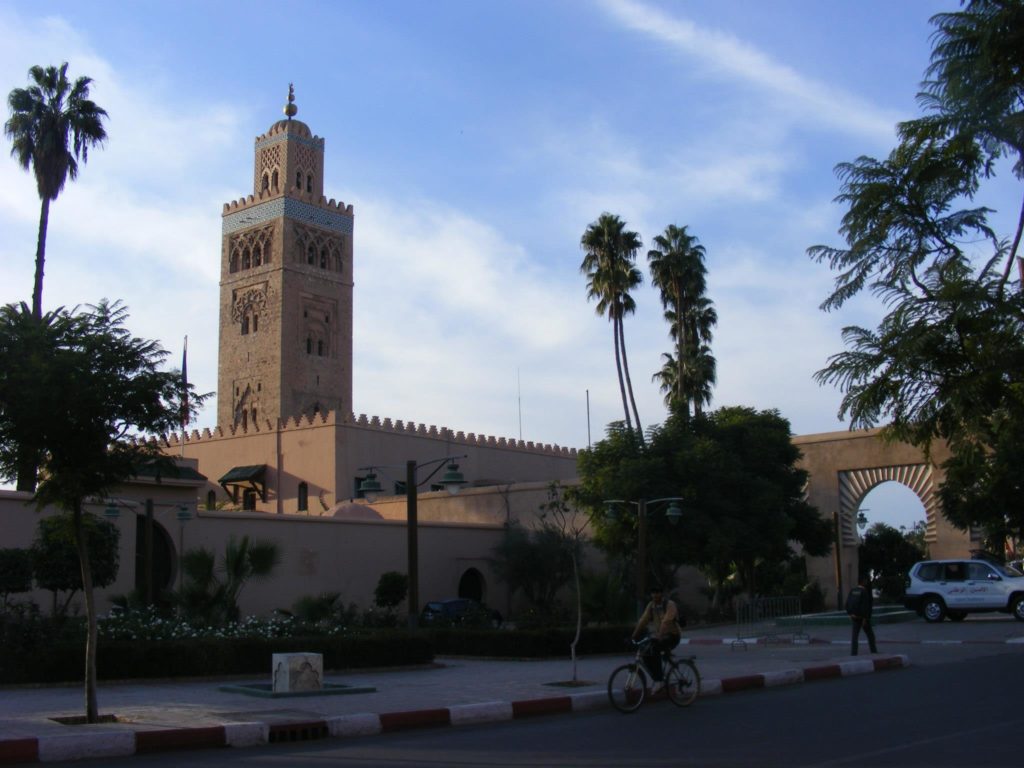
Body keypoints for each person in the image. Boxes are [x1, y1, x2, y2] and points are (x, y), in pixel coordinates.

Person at [632, 585, 682, 690]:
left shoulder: (669, 605)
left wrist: (659, 635)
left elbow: (666, 621)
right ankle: (657, 677)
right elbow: (643, 620)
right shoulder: (651, 606)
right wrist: (634, 635)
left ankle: (660, 680)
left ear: (661, 594)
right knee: (645, 653)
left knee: (655, 649)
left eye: (657, 592)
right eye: (653, 592)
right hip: (661, 636)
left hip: (673, 636)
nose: (654, 595)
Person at [845, 577, 878, 655]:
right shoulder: (864, 592)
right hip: (862, 618)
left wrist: (850, 614)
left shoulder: (852, 591)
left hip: (854, 616)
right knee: (870, 635)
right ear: (863, 582)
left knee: (854, 636)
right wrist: (865, 619)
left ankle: (853, 653)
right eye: (866, 581)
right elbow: (865, 606)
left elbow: (847, 604)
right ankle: (873, 651)